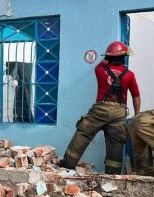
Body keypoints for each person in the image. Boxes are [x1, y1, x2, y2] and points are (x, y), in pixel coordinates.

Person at [59, 41, 141, 174]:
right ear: (123, 58)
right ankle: (112, 174)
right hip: (119, 112)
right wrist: (136, 115)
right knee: (116, 142)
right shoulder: (130, 75)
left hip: (100, 110)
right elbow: (136, 96)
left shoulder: (100, 70)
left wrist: (108, 57)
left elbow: (103, 62)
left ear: (109, 57)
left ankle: (67, 165)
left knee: (84, 132)